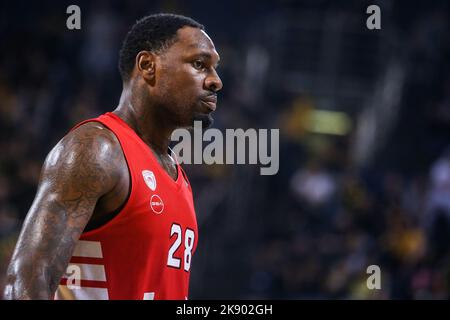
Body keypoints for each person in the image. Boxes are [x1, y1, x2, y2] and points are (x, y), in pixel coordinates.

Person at [3, 13, 222, 300]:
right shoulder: (97, 149)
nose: (215, 81)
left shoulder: (176, 172)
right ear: (147, 66)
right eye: (199, 64)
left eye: (215, 68)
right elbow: (25, 284)